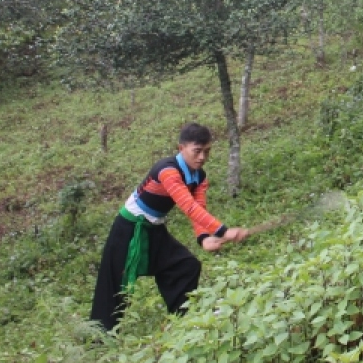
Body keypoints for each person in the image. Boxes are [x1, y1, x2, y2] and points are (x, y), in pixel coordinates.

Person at [90, 122, 246, 331]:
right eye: (197, 151)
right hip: (128, 227)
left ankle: (184, 319)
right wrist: (223, 231)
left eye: (206, 151)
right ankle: (99, 337)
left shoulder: (199, 176)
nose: (202, 157)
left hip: (155, 228)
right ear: (181, 148)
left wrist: (204, 237)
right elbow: (188, 206)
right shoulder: (167, 171)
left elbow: (199, 206)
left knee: (185, 265)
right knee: (114, 284)